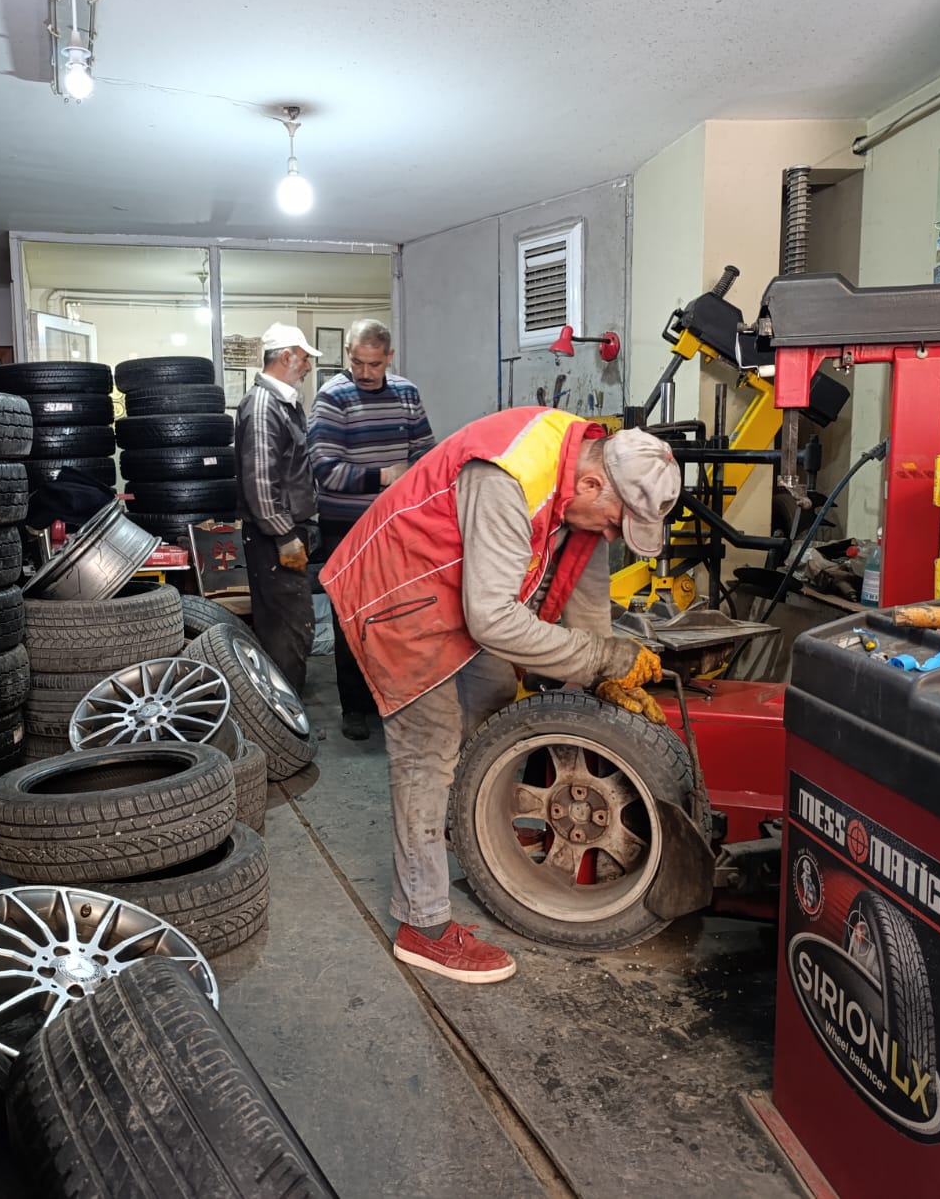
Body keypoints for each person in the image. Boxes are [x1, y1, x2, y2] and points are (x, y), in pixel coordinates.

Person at [320, 407, 680, 984]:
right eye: (616, 521)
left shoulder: (584, 460)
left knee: (491, 704)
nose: (613, 534)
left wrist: (599, 669)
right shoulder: (508, 477)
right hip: (400, 591)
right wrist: (600, 658)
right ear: (592, 485)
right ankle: (424, 925)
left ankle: (462, 838)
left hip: (456, 585)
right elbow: (491, 621)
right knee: (429, 750)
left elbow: (585, 577)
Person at [308, 319, 435, 741]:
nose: (364, 372)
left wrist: (415, 483)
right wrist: (383, 477)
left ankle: (392, 698)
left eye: (374, 364)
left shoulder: (406, 393)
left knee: (397, 614)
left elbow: (425, 454)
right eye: (357, 362)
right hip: (346, 524)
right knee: (352, 616)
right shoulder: (332, 398)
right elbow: (323, 469)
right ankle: (355, 707)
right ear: (347, 353)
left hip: (395, 524)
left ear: (389, 358)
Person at [234, 323, 322, 693]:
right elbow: (259, 480)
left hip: (285, 531)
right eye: (303, 358)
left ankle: (286, 707)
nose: (308, 366)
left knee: (291, 625)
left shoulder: (283, 403)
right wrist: (285, 535)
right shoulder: (264, 405)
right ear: (286, 356)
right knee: (287, 627)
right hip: (274, 537)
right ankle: (284, 720)